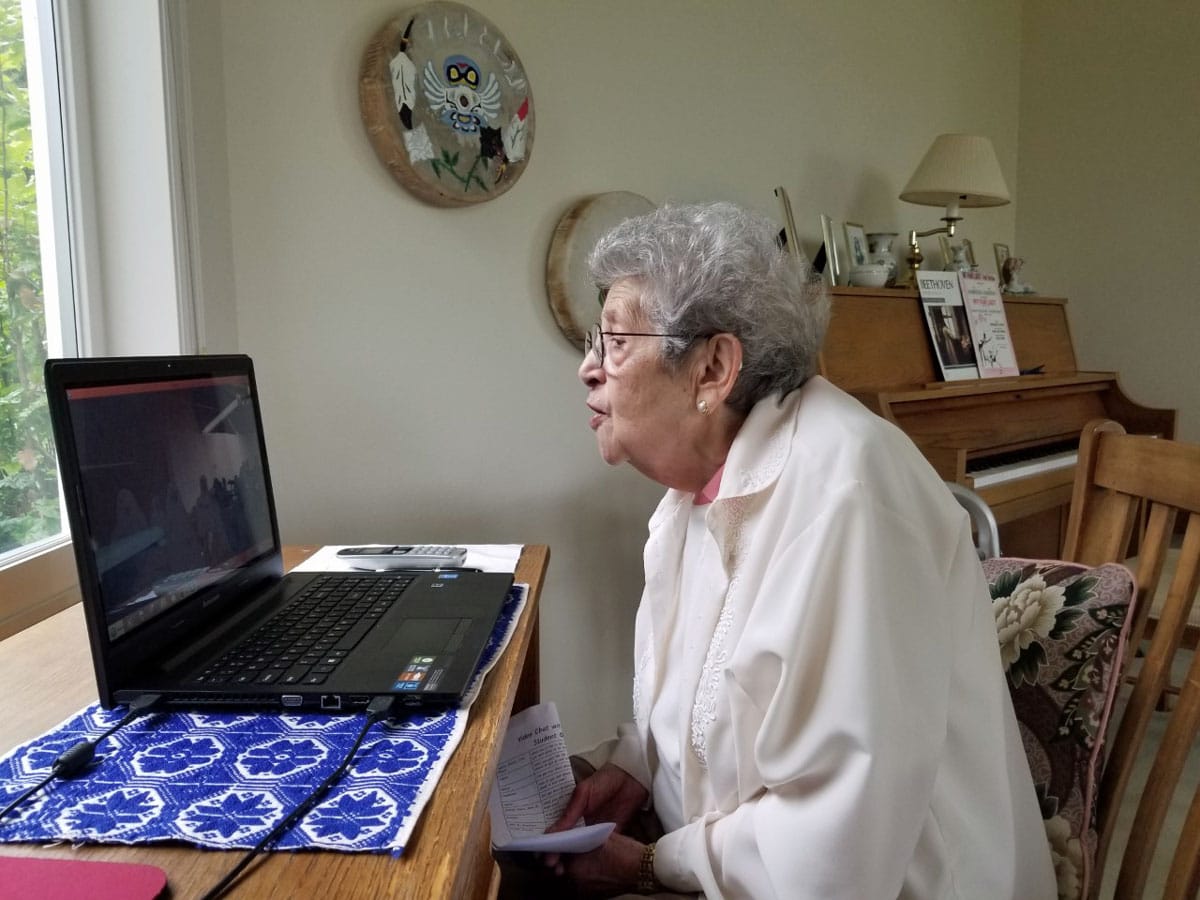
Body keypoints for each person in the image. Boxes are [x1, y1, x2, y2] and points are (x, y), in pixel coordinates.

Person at [551, 202, 1055, 898]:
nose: (588, 369)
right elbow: (720, 704)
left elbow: (840, 835)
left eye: (613, 341)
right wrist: (636, 768)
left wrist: (650, 863)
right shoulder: (698, 488)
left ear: (713, 369)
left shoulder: (845, 490)